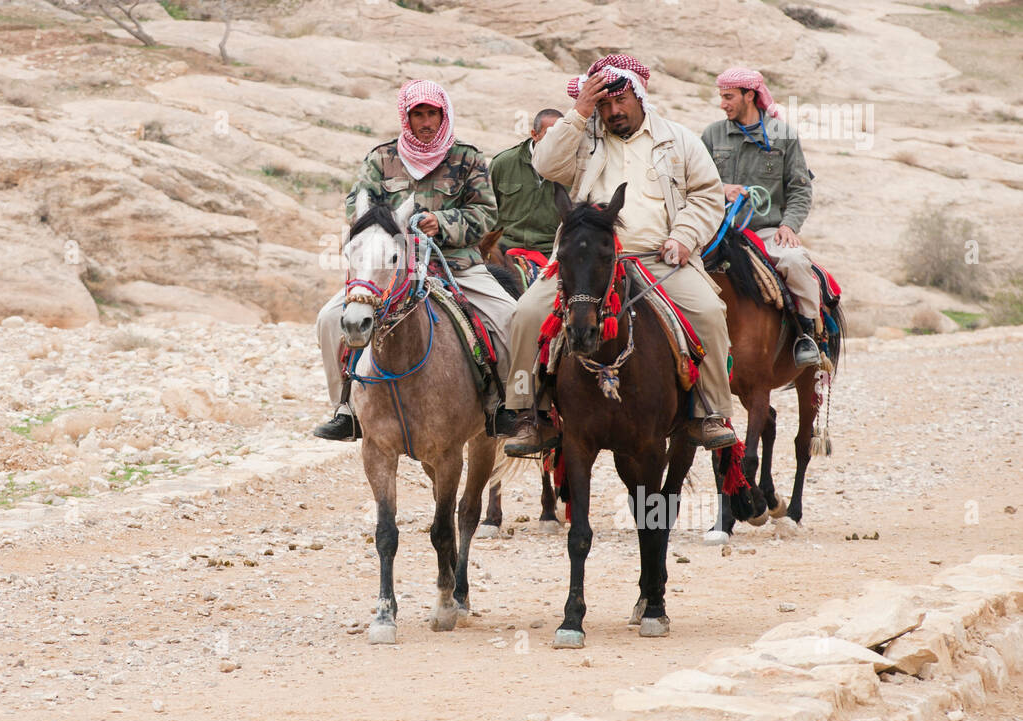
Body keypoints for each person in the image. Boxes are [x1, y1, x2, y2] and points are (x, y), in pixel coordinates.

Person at [497, 54, 737, 453]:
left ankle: (710, 413)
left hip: (660, 257)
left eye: (619, 101)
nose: (612, 111)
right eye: (604, 104)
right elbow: (544, 164)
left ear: (639, 95)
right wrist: (579, 112)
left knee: (710, 313)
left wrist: (683, 236)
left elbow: (707, 195)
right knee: (525, 315)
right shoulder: (583, 137)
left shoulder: (679, 139)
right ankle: (528, 415)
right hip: (587, 261)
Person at [313, 79, 517, 441]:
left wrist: (443, 222)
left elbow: (486, 213)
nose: (425, 122)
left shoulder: (467, 158)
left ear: (443, 115)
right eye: (417, 114)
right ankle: (345, 408)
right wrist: (391, 223)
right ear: (406, 119)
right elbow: (354, 205)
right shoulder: (381, 159)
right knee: (329, 319)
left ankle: (504, 404)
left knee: (509, 318)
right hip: (390, 268)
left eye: (432, 114)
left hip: (457, 265)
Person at [702, 67, 821, 368]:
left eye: (728, 97)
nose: (723, 103)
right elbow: (694, 183)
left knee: (795, 261)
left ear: (749, 95)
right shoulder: (712, 135)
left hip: (767, 231)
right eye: (721, 97)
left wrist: (788, 225)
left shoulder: (784, 136)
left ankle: (807, 334)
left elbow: (800, 189)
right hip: (716, 232)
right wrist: (721, 188)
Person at [488, 108, 564, 259]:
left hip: (551, 254)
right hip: (503, 250)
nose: (556, 141)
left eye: (561, 135)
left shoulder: (573, 170)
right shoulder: (503, 163)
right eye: (549, 135)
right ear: (534, 135)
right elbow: (484, 212)